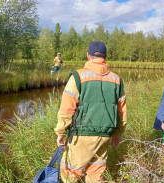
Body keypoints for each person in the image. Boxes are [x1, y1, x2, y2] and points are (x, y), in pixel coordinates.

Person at [54, 41, 127, 182]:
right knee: (96, 174)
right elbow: (121, 112)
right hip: (106, 135)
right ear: (105, 57)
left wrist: (61, 132)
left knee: (69, 174)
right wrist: (118, 133)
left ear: (88, 56)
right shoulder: (117, 80)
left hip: (82, 135)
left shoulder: (78, 76)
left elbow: (66, 108)